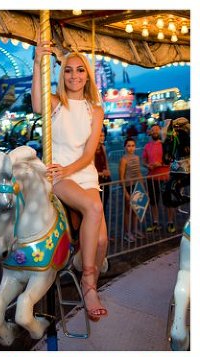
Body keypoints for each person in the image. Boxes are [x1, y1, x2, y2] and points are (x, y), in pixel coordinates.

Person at [32, 39, 108, 321]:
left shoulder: (95, 110)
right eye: (68, 71)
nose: (74, 76)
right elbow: (37, 103)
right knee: (94, 209)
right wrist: (38, 62)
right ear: (61, 74)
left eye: (79, 70)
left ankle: (80, 260)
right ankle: (89, 285)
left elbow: (89, 153)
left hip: (83, 173)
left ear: (87, 75)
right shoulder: (55, 103)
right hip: (58, 173)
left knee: (102, 242)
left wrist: (72, 169)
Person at [142, 123, 175, 232]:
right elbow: (144, 161)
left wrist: (160, 164)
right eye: (153, 130)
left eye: (157, 130)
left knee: (168, 201)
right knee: (153, 202)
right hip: (152, 178)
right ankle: (155, 222)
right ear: (150, 132)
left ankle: (170, 222)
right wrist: (148, 165)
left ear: (160, 132)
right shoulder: (147, 146)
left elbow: (171, 161)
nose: (155, 132)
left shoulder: (166, 145)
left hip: (165, 177)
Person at [119, 138, 146, 243]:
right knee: (127, 211)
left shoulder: (137, 157)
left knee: (136, 209)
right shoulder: (123, 159)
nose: (131, 148)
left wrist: (142, 187)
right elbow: (121, 177)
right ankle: (127, 232)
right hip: (128, 186)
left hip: (137, 186)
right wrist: (125, 192)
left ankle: (135, 229)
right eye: (129, 146)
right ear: (125, 147)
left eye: (133, 145)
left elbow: (138, 173)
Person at [93, 128, 112, 216]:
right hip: (96, 182)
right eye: (100, 135)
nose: (102, 137)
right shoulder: (92, 150)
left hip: (105, 180)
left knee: (104, 205)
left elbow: (106, 162)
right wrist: (102, 173)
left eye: (103, 135)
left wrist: (107, 171)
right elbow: (90, 170)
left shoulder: (103, 147)